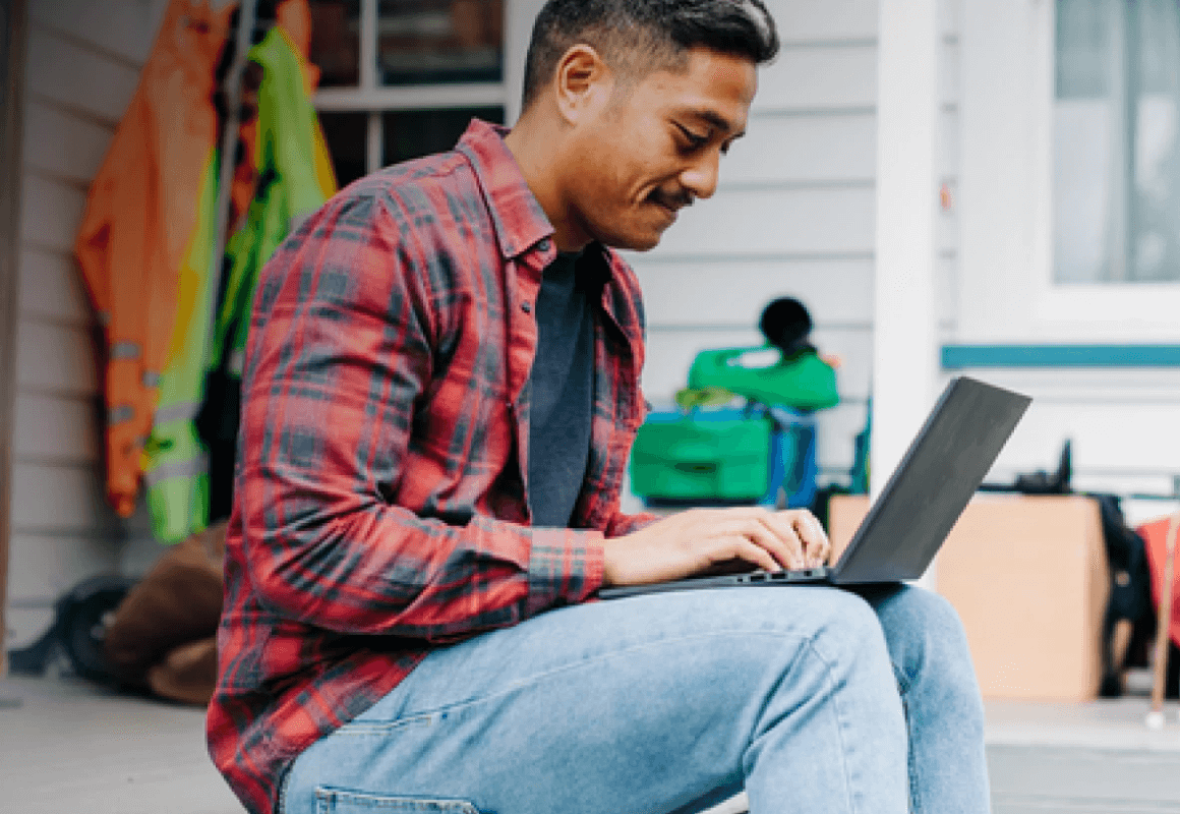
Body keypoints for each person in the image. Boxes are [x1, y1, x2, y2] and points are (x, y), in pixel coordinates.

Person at [207, 2, 991, 813]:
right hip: (351, 731)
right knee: (817, 649)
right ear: (579, 81)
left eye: (725, 149)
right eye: (691, 136)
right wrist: (609, 559)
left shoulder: (607, 292)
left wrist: (710, 544)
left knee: (912, 631)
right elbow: (306, 550)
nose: (707, 181)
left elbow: (561, 542)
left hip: (506, 674)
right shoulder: (384, 237)